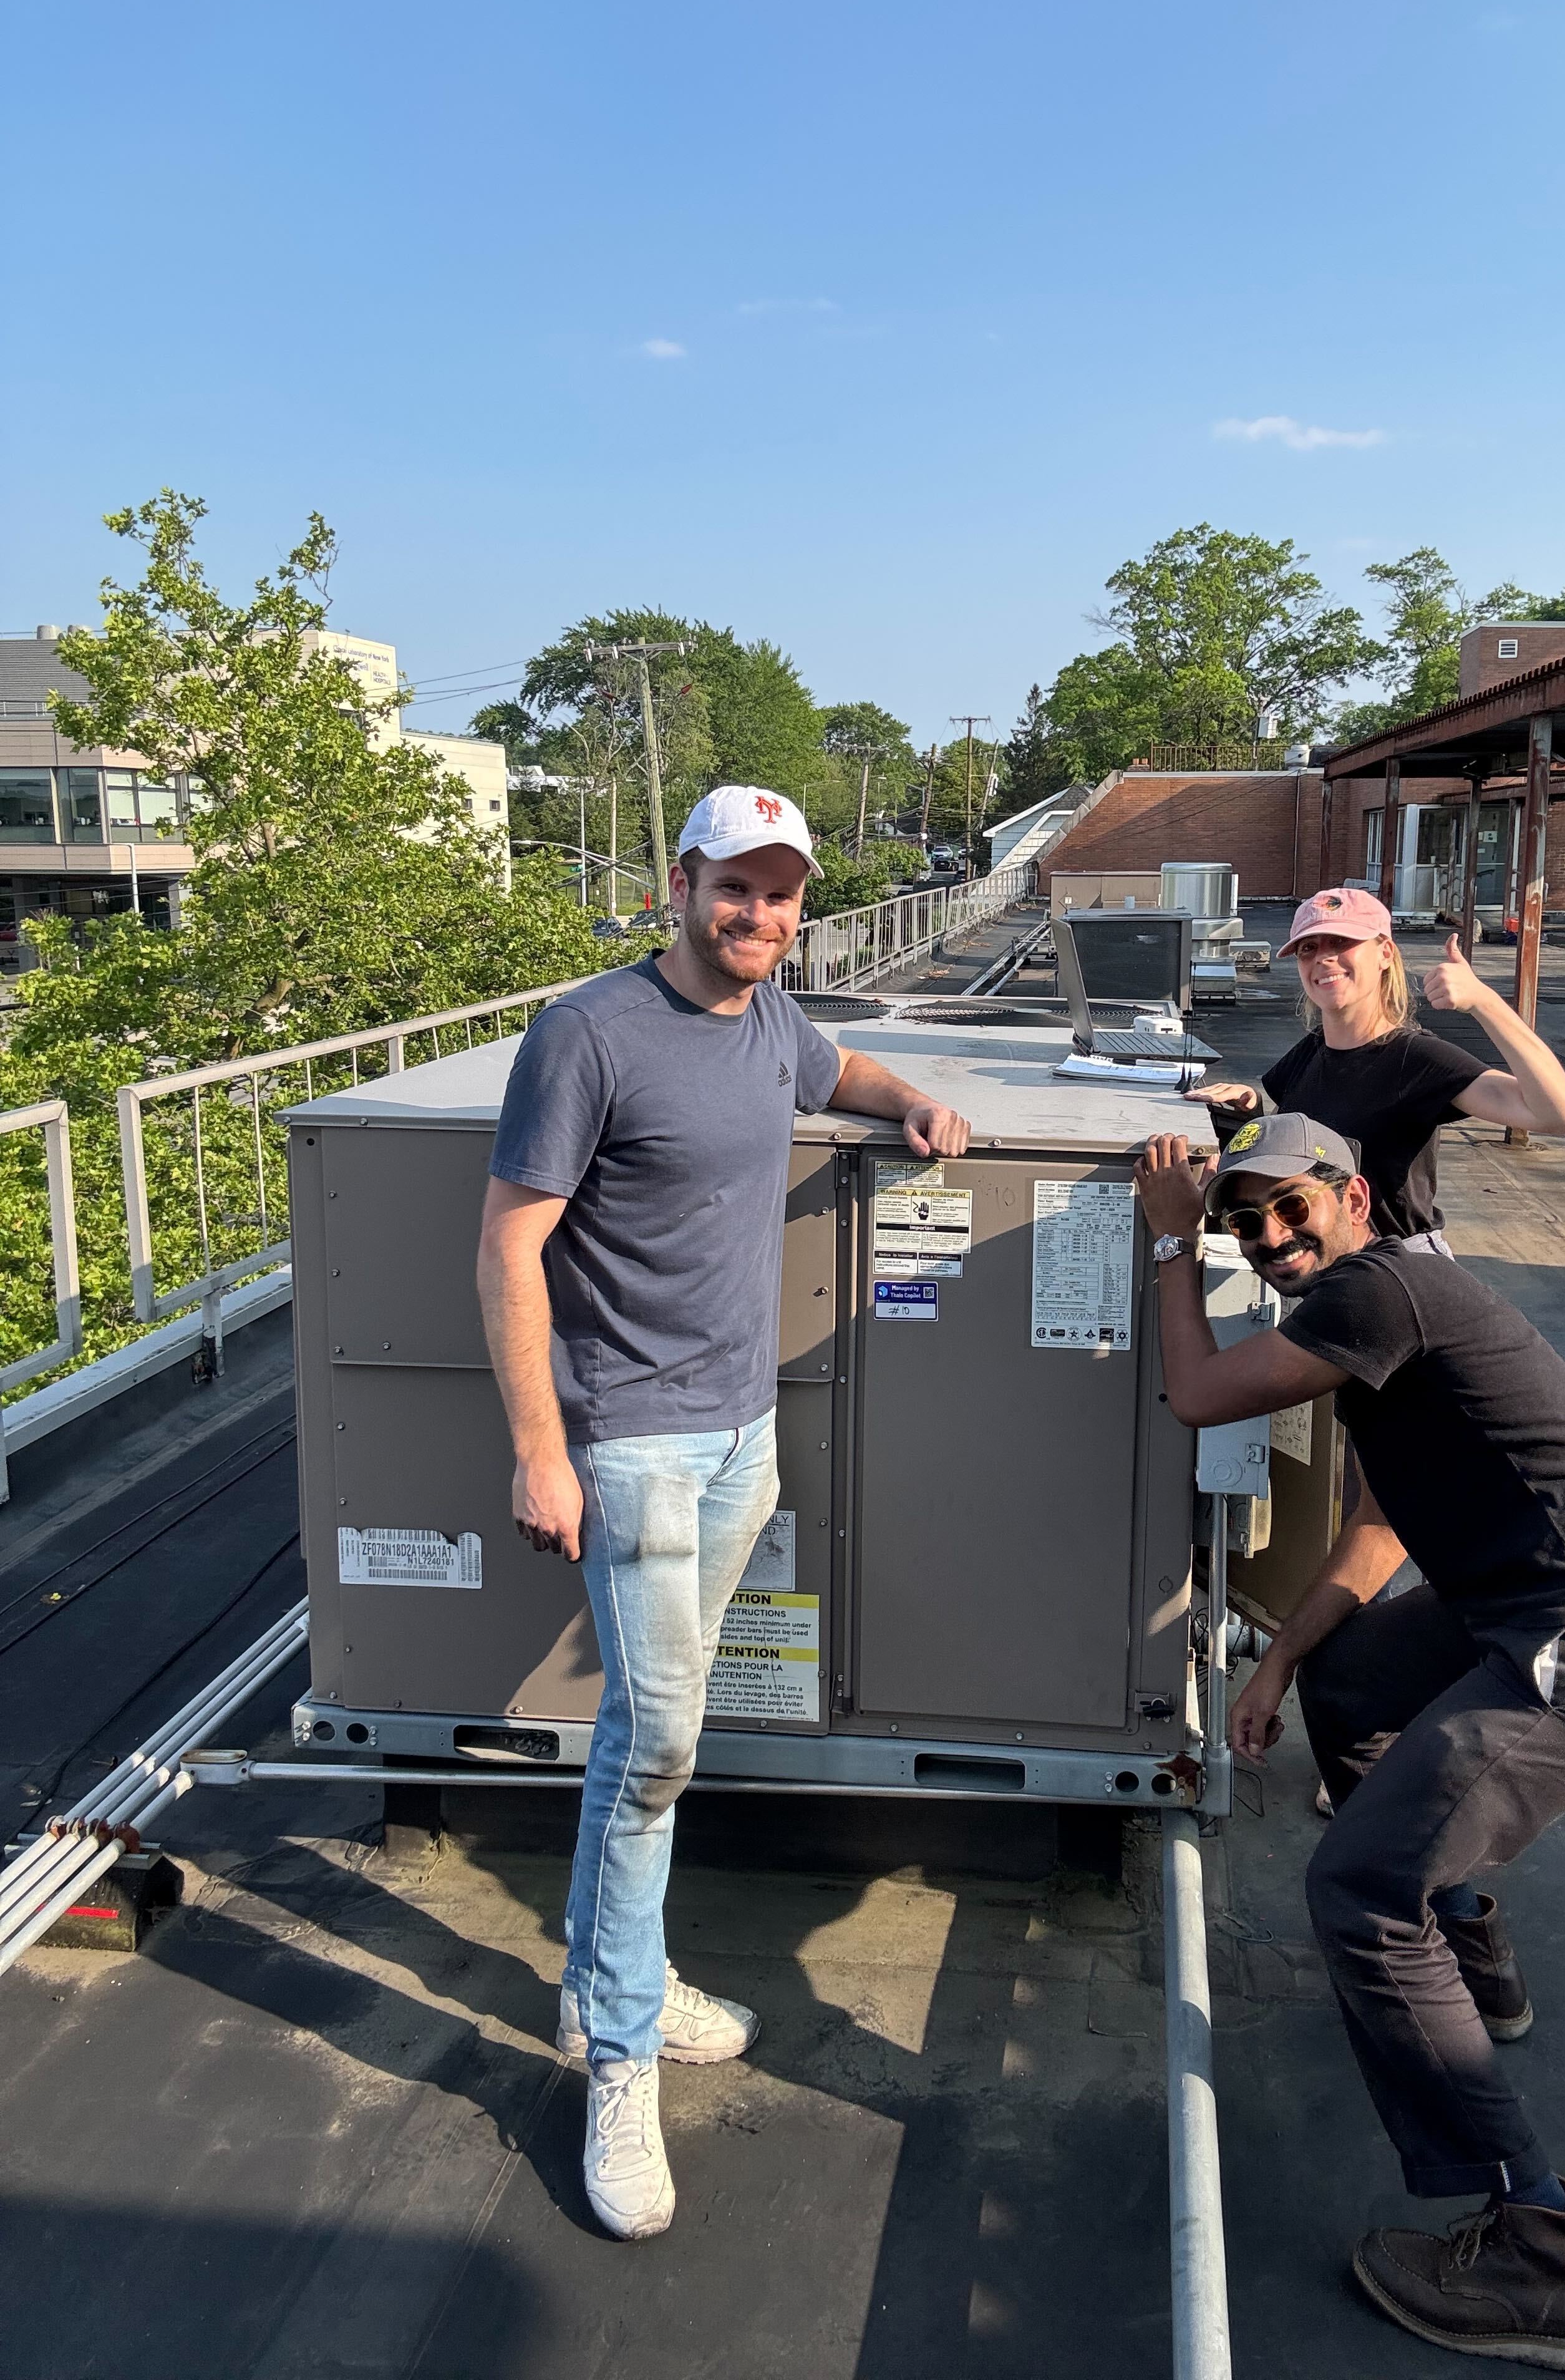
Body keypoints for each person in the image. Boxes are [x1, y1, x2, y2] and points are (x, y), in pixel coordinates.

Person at [1133, 1111, 1565, 2371]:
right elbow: (1382, 1533)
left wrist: (1173, 1248)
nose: (1271, 1242)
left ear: (1351, 1197)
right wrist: (1282, 1658)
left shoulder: (1378, 1288)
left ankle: (1543, 2254)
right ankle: (1469, 1957)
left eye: (1289, 1210)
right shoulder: (1397, 1315)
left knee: (1359, 1889)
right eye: (1246, 1224)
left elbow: (1194, 1395)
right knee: (1352, 1684)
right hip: (1530, 1613)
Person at [477, 784, 971, 2243]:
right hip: (630, 1446)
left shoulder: (771, 1021)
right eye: (734, 889)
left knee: (648, 1737)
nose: (758, 916)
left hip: (746, 1438)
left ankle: (611, 1980)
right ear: (678, 883)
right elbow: (509, 1247)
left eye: (782, 893)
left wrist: (914, 1103)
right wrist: (539, 1449)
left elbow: (839, 1064)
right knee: (660, 1744)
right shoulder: (587, 1032)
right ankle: (618, 2058)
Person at [1190, 886, 1565, 1250]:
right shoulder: (1312, 1051)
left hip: (1395, 1267)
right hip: (1318, 1265)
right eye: (1308, 948)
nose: (1323, 958)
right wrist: (1252, 1112)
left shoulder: (1416, 1059)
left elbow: (1562, 1115)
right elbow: (1304, 1149)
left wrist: (1485, 1002)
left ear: (1384, 953)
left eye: (1343, 942)